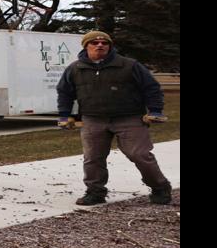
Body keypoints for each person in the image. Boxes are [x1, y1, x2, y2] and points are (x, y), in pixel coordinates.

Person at [55, 31, 173, 206]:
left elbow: (151, 88)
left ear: (110, 46)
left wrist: (155, 110)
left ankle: (160, 187)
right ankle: (95, 192)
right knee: (93, 157)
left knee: (139, 154)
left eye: (104, 42)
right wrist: (64, 115)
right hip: (93, 119)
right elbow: (65, 92)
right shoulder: (75, 68)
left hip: (129, 118)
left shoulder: (129, 65)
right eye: (94, 42)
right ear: (86, 46)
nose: (100, 45)